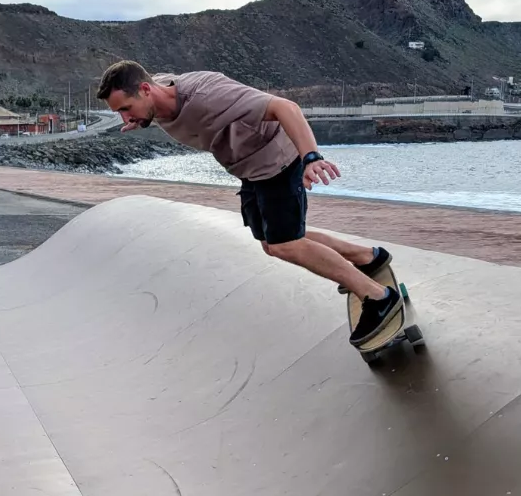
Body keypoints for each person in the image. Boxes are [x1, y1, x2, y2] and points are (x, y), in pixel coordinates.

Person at [96, 60, 402, 347]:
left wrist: (311, 157)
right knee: (273, 242)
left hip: (278, 162)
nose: (125, 118)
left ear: (146, 91)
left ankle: (377, 297)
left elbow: (286, 107)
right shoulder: (154, 94)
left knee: (286, 244)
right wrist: (139, 117)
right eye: (120, 113)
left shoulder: (208, 96)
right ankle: (367, 256)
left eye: (126, 109)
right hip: (249, 169)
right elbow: (139, 81)